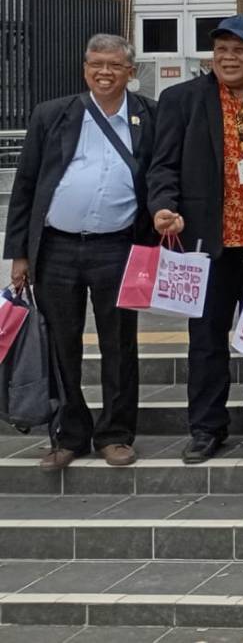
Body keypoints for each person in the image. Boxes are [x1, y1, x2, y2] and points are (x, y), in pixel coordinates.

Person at [5, 35, 156, 470]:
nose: (104, 71)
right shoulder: (53, 115)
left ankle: (116, 433)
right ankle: (70, 433)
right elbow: (27, 185)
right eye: (95, 63)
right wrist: (19, 253)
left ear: (131, 70)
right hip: (57, 248)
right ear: (84, 67)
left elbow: (161, 174)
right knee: (60, 344)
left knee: (119, 344)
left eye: (113, 64)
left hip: (119, 247)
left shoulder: (149, 116)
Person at [149, 15, 243, 463]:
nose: (229, 58)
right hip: (206, 245)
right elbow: (162, 165)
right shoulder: (182, 100)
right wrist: (162, 207)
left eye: (239, 49)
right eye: (222, 49)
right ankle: (207, 428)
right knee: (207, 339)